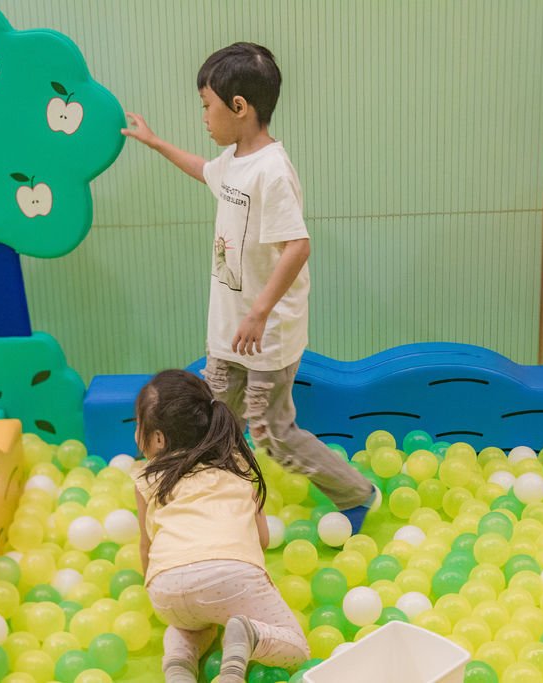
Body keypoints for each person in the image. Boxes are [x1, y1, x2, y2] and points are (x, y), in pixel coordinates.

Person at [121, 42, 377, 530]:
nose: (204, 117)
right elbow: (204, 171)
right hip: (228, 333)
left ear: (240, 107)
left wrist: (259, 311)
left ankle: (356, 493)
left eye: (207, 107)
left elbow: (297, 246)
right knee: (210, 421)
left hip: (265, 336)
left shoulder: (272, 171)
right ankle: (207, 510)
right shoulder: (234, 158)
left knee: (272, 432)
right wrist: (156, 144)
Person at [132, 369, 309, 683]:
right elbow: (263, 540)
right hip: (231, 577)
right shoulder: (238, 462)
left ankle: (179, 669)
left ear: (158, 438)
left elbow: (147, 546)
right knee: (296, 649)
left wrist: (162, 586)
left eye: (138, 425)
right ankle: (248, 638)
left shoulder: (148, 476)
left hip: (166, 589)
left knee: (187, 626)